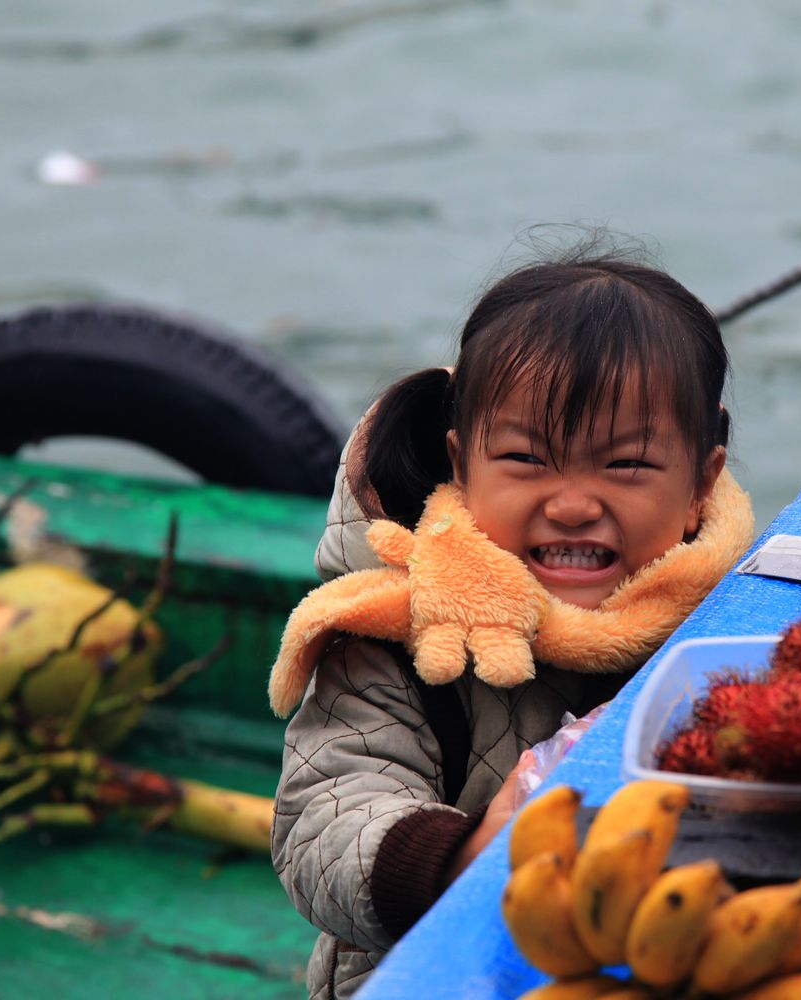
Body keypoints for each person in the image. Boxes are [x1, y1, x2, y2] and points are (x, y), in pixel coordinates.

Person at [267, 244, 755, 1000]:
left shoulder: (730, 614)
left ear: (702, 482)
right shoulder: (395, 623)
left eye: (626, 466)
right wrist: (459, 857)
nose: (571, 504)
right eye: (527, 458)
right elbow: (323, 813)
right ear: (462, 465)